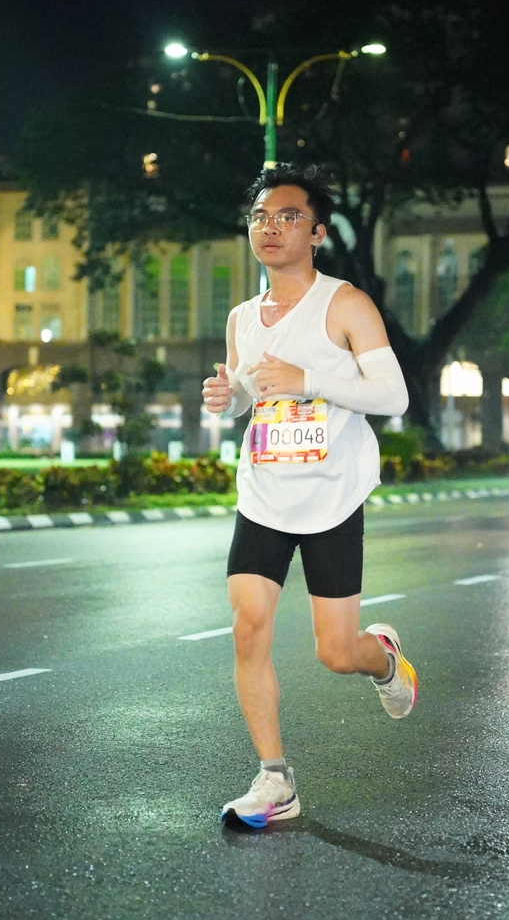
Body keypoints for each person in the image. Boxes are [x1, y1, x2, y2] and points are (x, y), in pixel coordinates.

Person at [202, 163, 417, 829]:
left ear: (318, 232)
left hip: (332, 497)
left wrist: (309, 379)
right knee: (248, 625)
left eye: (288, 216)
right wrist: (227, 397)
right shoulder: (243, 318)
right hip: (265, 494)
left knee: (335, 651)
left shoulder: (346, 304)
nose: (270, 228)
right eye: (260, 217)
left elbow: (393, 395)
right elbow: (248, 394)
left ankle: (381, 658)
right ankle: (276, 780)